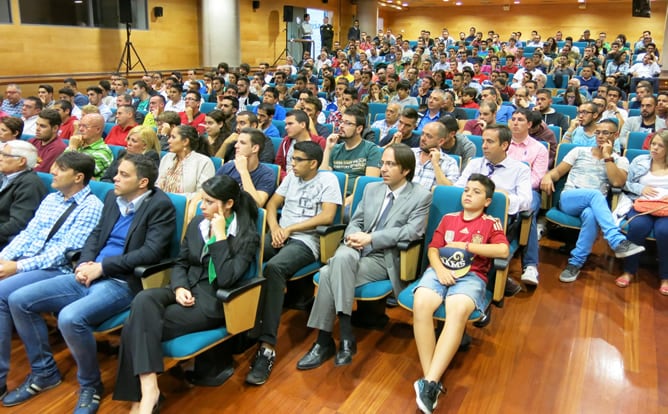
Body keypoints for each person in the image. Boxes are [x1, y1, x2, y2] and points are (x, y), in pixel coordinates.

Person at [4, 154, 176, 413]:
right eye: (117, 172)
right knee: (19, 300)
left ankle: (90, 386)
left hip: (121, 281)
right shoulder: (112, 197)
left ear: (142, 182)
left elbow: (150, 253)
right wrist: (84, 263)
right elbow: (97, 235)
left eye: (123, 175)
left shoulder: (160, 205)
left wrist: (102, 267)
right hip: (89, 271)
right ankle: (44, 372)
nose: (115, 178)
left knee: (70, 318)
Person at [112, 175, 259, 413]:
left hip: (214, 301)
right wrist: (180, 287)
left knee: (133, 325)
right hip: (185, 288)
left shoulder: (245, 235)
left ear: (228, 203)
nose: (202, 207)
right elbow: (180, 263)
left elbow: (226, 279)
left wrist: (220, 237)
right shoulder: (197, 224)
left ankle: (142, 398)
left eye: (209, 202)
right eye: (202, 200)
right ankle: (149, 391)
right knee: (144, 299)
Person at [296, 143, 431, 370]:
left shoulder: (420, 196)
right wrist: (354, 236)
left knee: (329, 272)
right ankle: (345, 336)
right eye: (382, 163)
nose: (383, 169)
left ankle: (325, 340)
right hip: (354, 248)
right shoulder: (372, 189)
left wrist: (372, 238)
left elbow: (412, 231)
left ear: (406, 170)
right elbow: (356, 220)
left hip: (383, 256)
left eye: (390, 164)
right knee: (342, 258)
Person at [0, 152, 103, 400]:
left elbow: (62, 254)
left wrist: (17, 267)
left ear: (78, 177)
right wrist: (5, 258)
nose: (52, 172)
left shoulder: (90, 207)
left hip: (57, 269)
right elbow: (27, 234)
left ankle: (35, 372)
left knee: (3, 295)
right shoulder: (52, 199)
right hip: (31, 261)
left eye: (59, 168)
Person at [246, 141, 342, 385]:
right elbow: (271, 205)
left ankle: (266, 347)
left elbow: (328, 216)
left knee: (274, 268)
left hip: (308, 241)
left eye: (298, 160)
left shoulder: (328, 180)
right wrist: (276, 227)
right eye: (292, 159)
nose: (292, 164)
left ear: (313, 163)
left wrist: (290, 228)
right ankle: (245, 322)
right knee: (246, 253)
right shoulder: (291, 178)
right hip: (281, 233)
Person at [412, 174, 509, 414]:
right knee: (422, 302)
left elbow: (502, 249)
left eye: (476, 192)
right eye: (466, 190)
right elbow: (433, 248)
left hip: (471, 276)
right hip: (439, 271)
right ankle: (431, 381)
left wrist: (466, 246)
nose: (468, 194)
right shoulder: (448, 219)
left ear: (487, 201)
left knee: (456, 309)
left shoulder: (491, 222)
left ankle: (429, 382)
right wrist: (440, 269)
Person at [540, 119, 645, 283]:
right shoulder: (579, 151)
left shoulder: (620, 160)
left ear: (616, 135)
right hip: (569, 198)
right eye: (598, 132)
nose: (600, 136)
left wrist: (607, 157)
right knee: (595, 195)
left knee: (591, 215)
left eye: (606, 133)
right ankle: (615, 239)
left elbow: (618, 183)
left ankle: (575, 263)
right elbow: (558, 172)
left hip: (594, 207)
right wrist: (547, 176)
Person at [615, 131, 668, 293]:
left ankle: (665, 277)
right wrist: (642, 188)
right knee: (637, 227)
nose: (655, 148)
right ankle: (629, 271)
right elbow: (625, 184)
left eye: (661, 145)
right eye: (653, 144)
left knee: (664, 231)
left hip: (664, 208)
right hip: (641, 203)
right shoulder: (640, 161)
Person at [507, 109, 549, 285]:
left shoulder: (539, 148)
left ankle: (530, 265)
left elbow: (537, 178)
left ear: (529, 124)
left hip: (529, 190)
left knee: (527, 210)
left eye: (520, 120)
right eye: (513, 119)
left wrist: (515, 188)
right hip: (503, 188)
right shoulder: (501, 143)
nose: (515, 122)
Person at [322, 107, 381, 205]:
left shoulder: (371, 149)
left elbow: (369, 185)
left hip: (356, 201)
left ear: (359, 129)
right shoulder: (335, 149)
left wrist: (345, 203)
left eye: (347, 123)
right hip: (331, 198)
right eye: (341, 122)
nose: (341, 126)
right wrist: (328, 149)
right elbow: (323, 176)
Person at [0, 140, 48, 249]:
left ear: (21, 161)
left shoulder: (30, 185)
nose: (0, 158)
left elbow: (17, 225)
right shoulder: (3, 175)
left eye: (5, 155)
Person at [216, 127, 277, 207]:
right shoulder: (228, 166)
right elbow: (208, 191)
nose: (236, 146)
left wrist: (243, 172)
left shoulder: (267, 174)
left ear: (255, 148)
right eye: (237, 142)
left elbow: (256, 204)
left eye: (242, 143)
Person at [157, 125, 215, 197]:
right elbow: (157, 185)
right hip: (160, 204)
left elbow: (202, 194)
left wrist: (174, 199)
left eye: (173, 137)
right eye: (169, 137)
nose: (168, 141)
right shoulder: (167, 158)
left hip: (186, 206)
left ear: (185, 141)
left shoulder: (204, 162)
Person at [274, 110, 326, 180]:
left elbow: (319, 169)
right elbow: (278, 165)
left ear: (302, 125)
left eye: (290, 124)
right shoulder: (286, 140)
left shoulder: (319, 142)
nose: (286, 127)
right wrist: (286, 178)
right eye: (286, 124)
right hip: (286, 181)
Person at [412, 121, 460, 189]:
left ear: (441, 141)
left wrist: (436, 165)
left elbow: (448, 191)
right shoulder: (410, 153)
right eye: (422, 134)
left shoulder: (450, 162)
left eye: (429, 136)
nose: (423, 139)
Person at [65, 113, 113, 179]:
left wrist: (73, 147)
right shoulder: (78, 143)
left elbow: (72, 172)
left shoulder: (103, 152)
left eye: (85, 126)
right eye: (80, 126)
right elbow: (55, 167)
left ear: (98, 130)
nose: (80, 129)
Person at [28, 108, 67, 173]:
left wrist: (28, 164)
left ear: (55, 128)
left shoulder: (58, 148)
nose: (37, 129)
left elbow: (40, 171)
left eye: (42, 126)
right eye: (37, 124)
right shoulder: (33, 141)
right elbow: (18, 162)